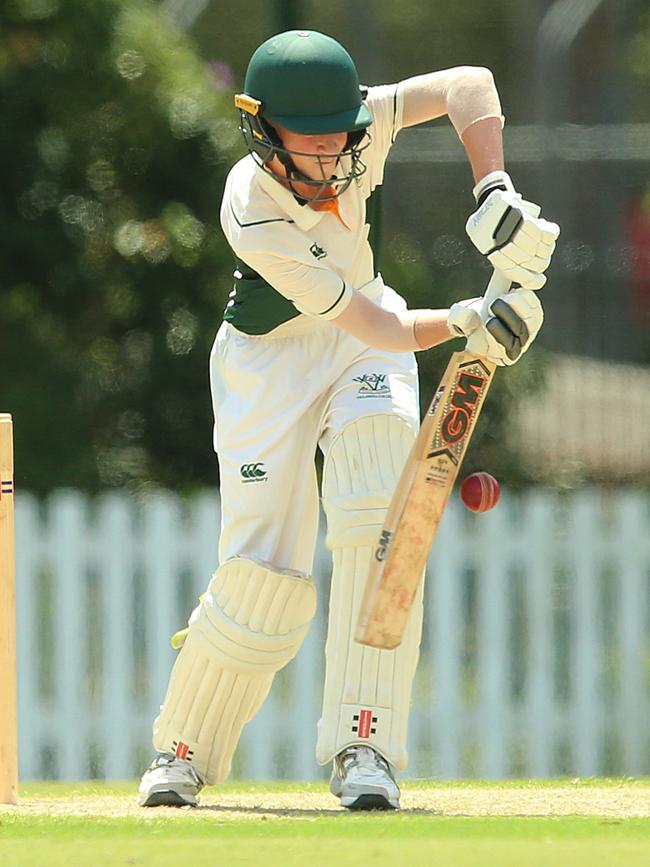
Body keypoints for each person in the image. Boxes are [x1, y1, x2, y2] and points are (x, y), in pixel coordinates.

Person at [138, 29, 559, 810]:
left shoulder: (359, 127)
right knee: (264, 574)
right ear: (264, 132)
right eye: (314, 140)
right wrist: (472, 316)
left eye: (343, 135)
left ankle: (365, 744)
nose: (336, 154)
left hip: (360, 350)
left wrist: (492, 185)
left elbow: (470, 79)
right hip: (272, 364)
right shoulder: (251, 207)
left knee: (376, 515)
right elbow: (377, 326)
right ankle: (183, 748)